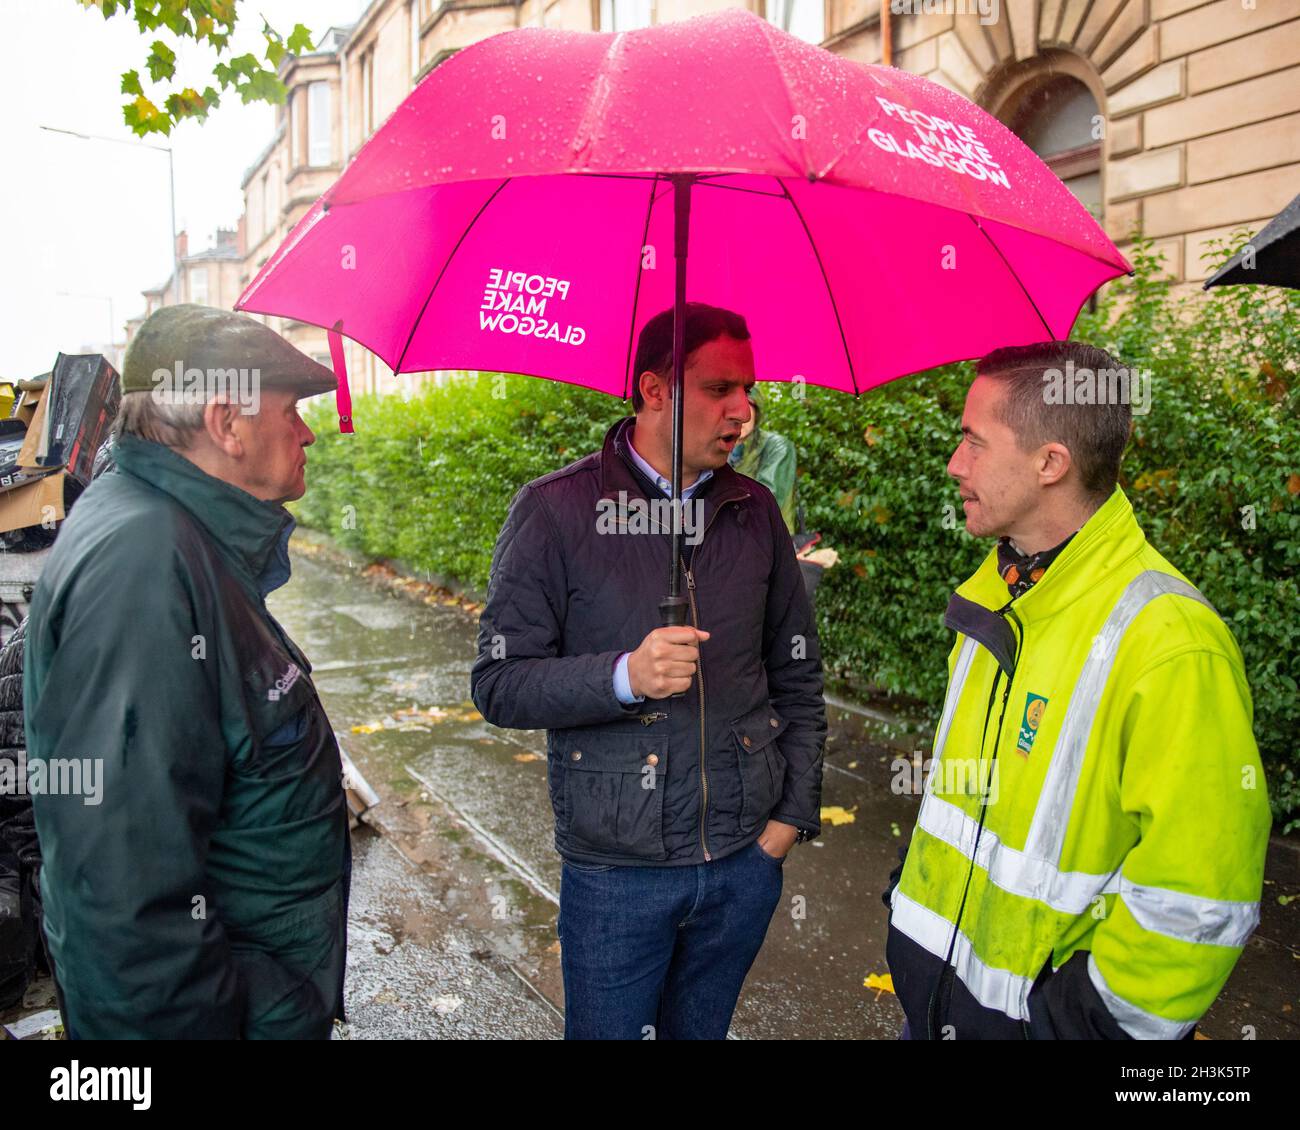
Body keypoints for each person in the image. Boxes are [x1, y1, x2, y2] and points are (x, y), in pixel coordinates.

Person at [884, 341, 1270, 1039]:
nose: (954, 464)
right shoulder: (998, 597)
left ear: (1050, 463)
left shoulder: (1170, 642)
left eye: (974, 440)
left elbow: (1199, 902)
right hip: (936, 1009)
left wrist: (1072, 1027)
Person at [471, 302, 827, 1040]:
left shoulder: (755, 512)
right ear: (655, 389)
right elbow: (500, 684)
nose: (744, 411)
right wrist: (624, 675)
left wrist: (789, 821)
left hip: (741, 861)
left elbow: (797, 674)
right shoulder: (554, 512)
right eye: (720, 389)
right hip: (615, 873)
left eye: (748, 390)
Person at [24, 304, 351, 1039]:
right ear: (226, 422)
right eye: (291, 409)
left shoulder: (170, 536)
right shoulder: (143, 569)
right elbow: (127, 911)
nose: (306, 431)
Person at [728, 388, 838, 600]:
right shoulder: (722, 449)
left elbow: (766, 497)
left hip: (771, 544)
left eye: (747, 408)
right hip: (731, 551)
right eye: (732, 408)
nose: (740, 415)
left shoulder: (777, 446)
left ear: (757, 413)